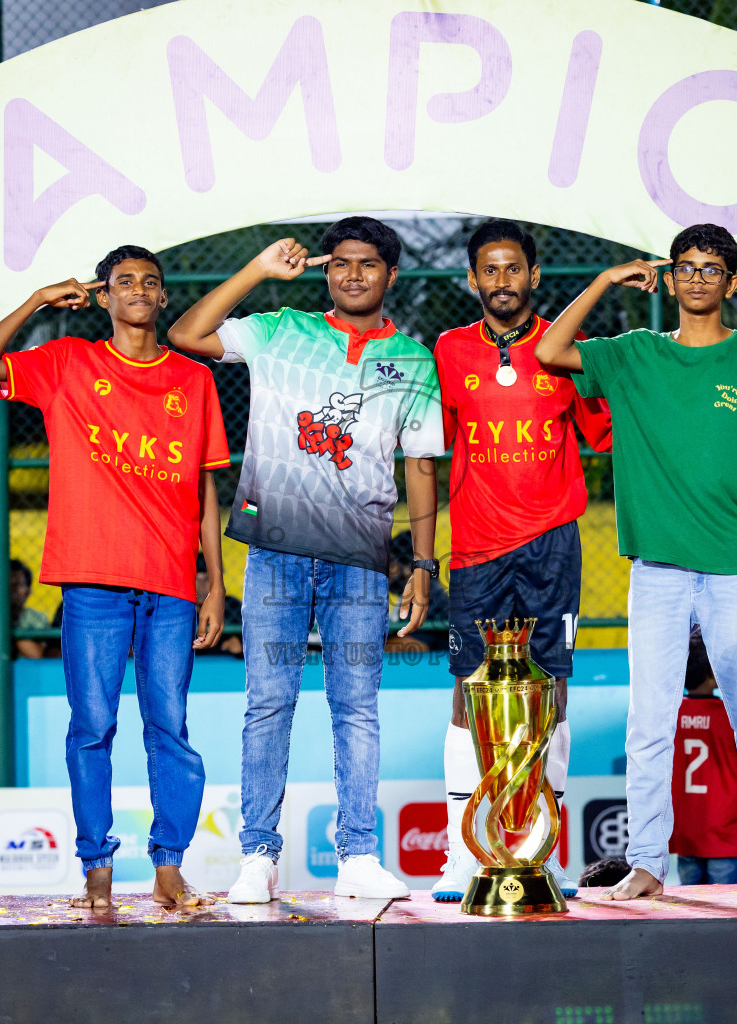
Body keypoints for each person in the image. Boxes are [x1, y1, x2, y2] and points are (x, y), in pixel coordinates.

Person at [167, 217, 444, 903]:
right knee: (269, 702)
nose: (353, 274)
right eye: (341, 263)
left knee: (357, 706)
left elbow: (420, 467)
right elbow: (187, 335)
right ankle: (257, 856)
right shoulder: (281, 327)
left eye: (368, 264)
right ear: (326, 270)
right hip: (276, 551)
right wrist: (259, 270)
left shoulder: (411, 358)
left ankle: (357, 855)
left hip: (360, 558)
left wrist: (424, 564)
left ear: (391, 275)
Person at [0, 244, 231, 910]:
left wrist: (214, 583)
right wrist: (36, 302)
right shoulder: (69, 363)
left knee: (170, 727)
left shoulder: (194, 380)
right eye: (123, 282)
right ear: (103, 297)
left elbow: (204, 490)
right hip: (92, 581)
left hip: (170, 583)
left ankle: (169, 867)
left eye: (150, 281)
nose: (138, 289)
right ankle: (96, 869)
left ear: (163, 298)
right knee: (92, 727)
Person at [537, 223, 737, 901]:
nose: (698, 278)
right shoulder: (635, 355)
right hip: (656, 571)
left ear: (731, 284)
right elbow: (549, 349)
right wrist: (602, 281)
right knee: (648, 722)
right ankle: (648, 861)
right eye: (687, 267)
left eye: (712, 269)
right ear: (672, 276)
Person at [429, 220, 613, 903]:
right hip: (476, 549)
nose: (501, 281)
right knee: (466, 688)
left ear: (534, 277)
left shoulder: (568, 349)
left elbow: (606, 428)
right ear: (472, 279)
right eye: (489, 270)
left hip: (553, 549)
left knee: (552, 687)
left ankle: (538, 850)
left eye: (514, 269)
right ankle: (460, 854)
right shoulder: (447, 350)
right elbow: (427, 442)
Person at [670, 628, 737, 886]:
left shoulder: (671, 714)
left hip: (687, 833)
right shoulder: (731, 714)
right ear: (712, 673)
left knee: (690, 919)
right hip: (726, 834)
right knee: (729, 921)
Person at [385, 530, 449, 655]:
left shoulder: (427, 592)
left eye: (392, 563)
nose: (387, 570)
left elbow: (418, 645)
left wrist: (372, 647)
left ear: (408, 566)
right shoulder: (406, 595)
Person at [195, 555, 243, 657]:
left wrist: (240, 646)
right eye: (196, 579)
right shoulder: (181, 609)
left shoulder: (233, 606)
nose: (202, 586)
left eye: (207, 579)